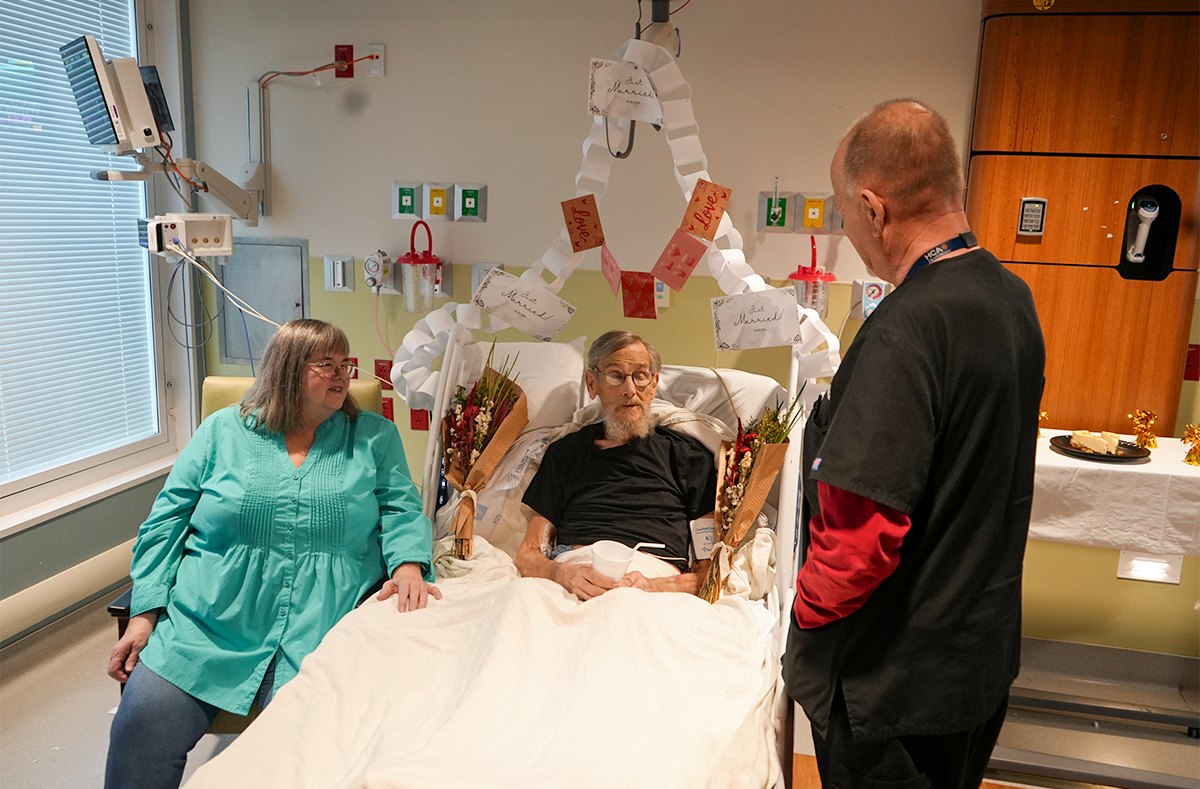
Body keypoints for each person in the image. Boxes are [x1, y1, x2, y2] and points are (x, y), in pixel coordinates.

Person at [783, 100, 1046, 789]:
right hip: (975, 667)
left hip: (894, 691)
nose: (851, 234)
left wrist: (802, 624)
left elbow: (858, 540)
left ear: (874, 209)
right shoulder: (1011, 299)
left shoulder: (906, 327)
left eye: (844, 217)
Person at [105, 319, 440, 789]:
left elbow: (401, 507)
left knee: (307, 763)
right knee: (139, 728)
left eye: (346, 364)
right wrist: (145, 613)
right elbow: (165, 524)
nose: (343, 375)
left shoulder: (374, 436)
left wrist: (408, 565)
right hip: (208, 623)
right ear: (286, 370)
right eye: (327, 364)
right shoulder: (220, 432)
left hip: (326, 628)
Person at [515, 331, 716, 600]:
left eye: (640, 376)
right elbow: (527, 556)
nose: (630, 390)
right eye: (616, 375)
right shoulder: (565, 453)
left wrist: (655, 586)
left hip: (653, 581)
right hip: (575, 575)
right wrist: (563, 574)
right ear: (592, 383)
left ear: (654, 384)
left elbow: (710, 574)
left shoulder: (688, 457)